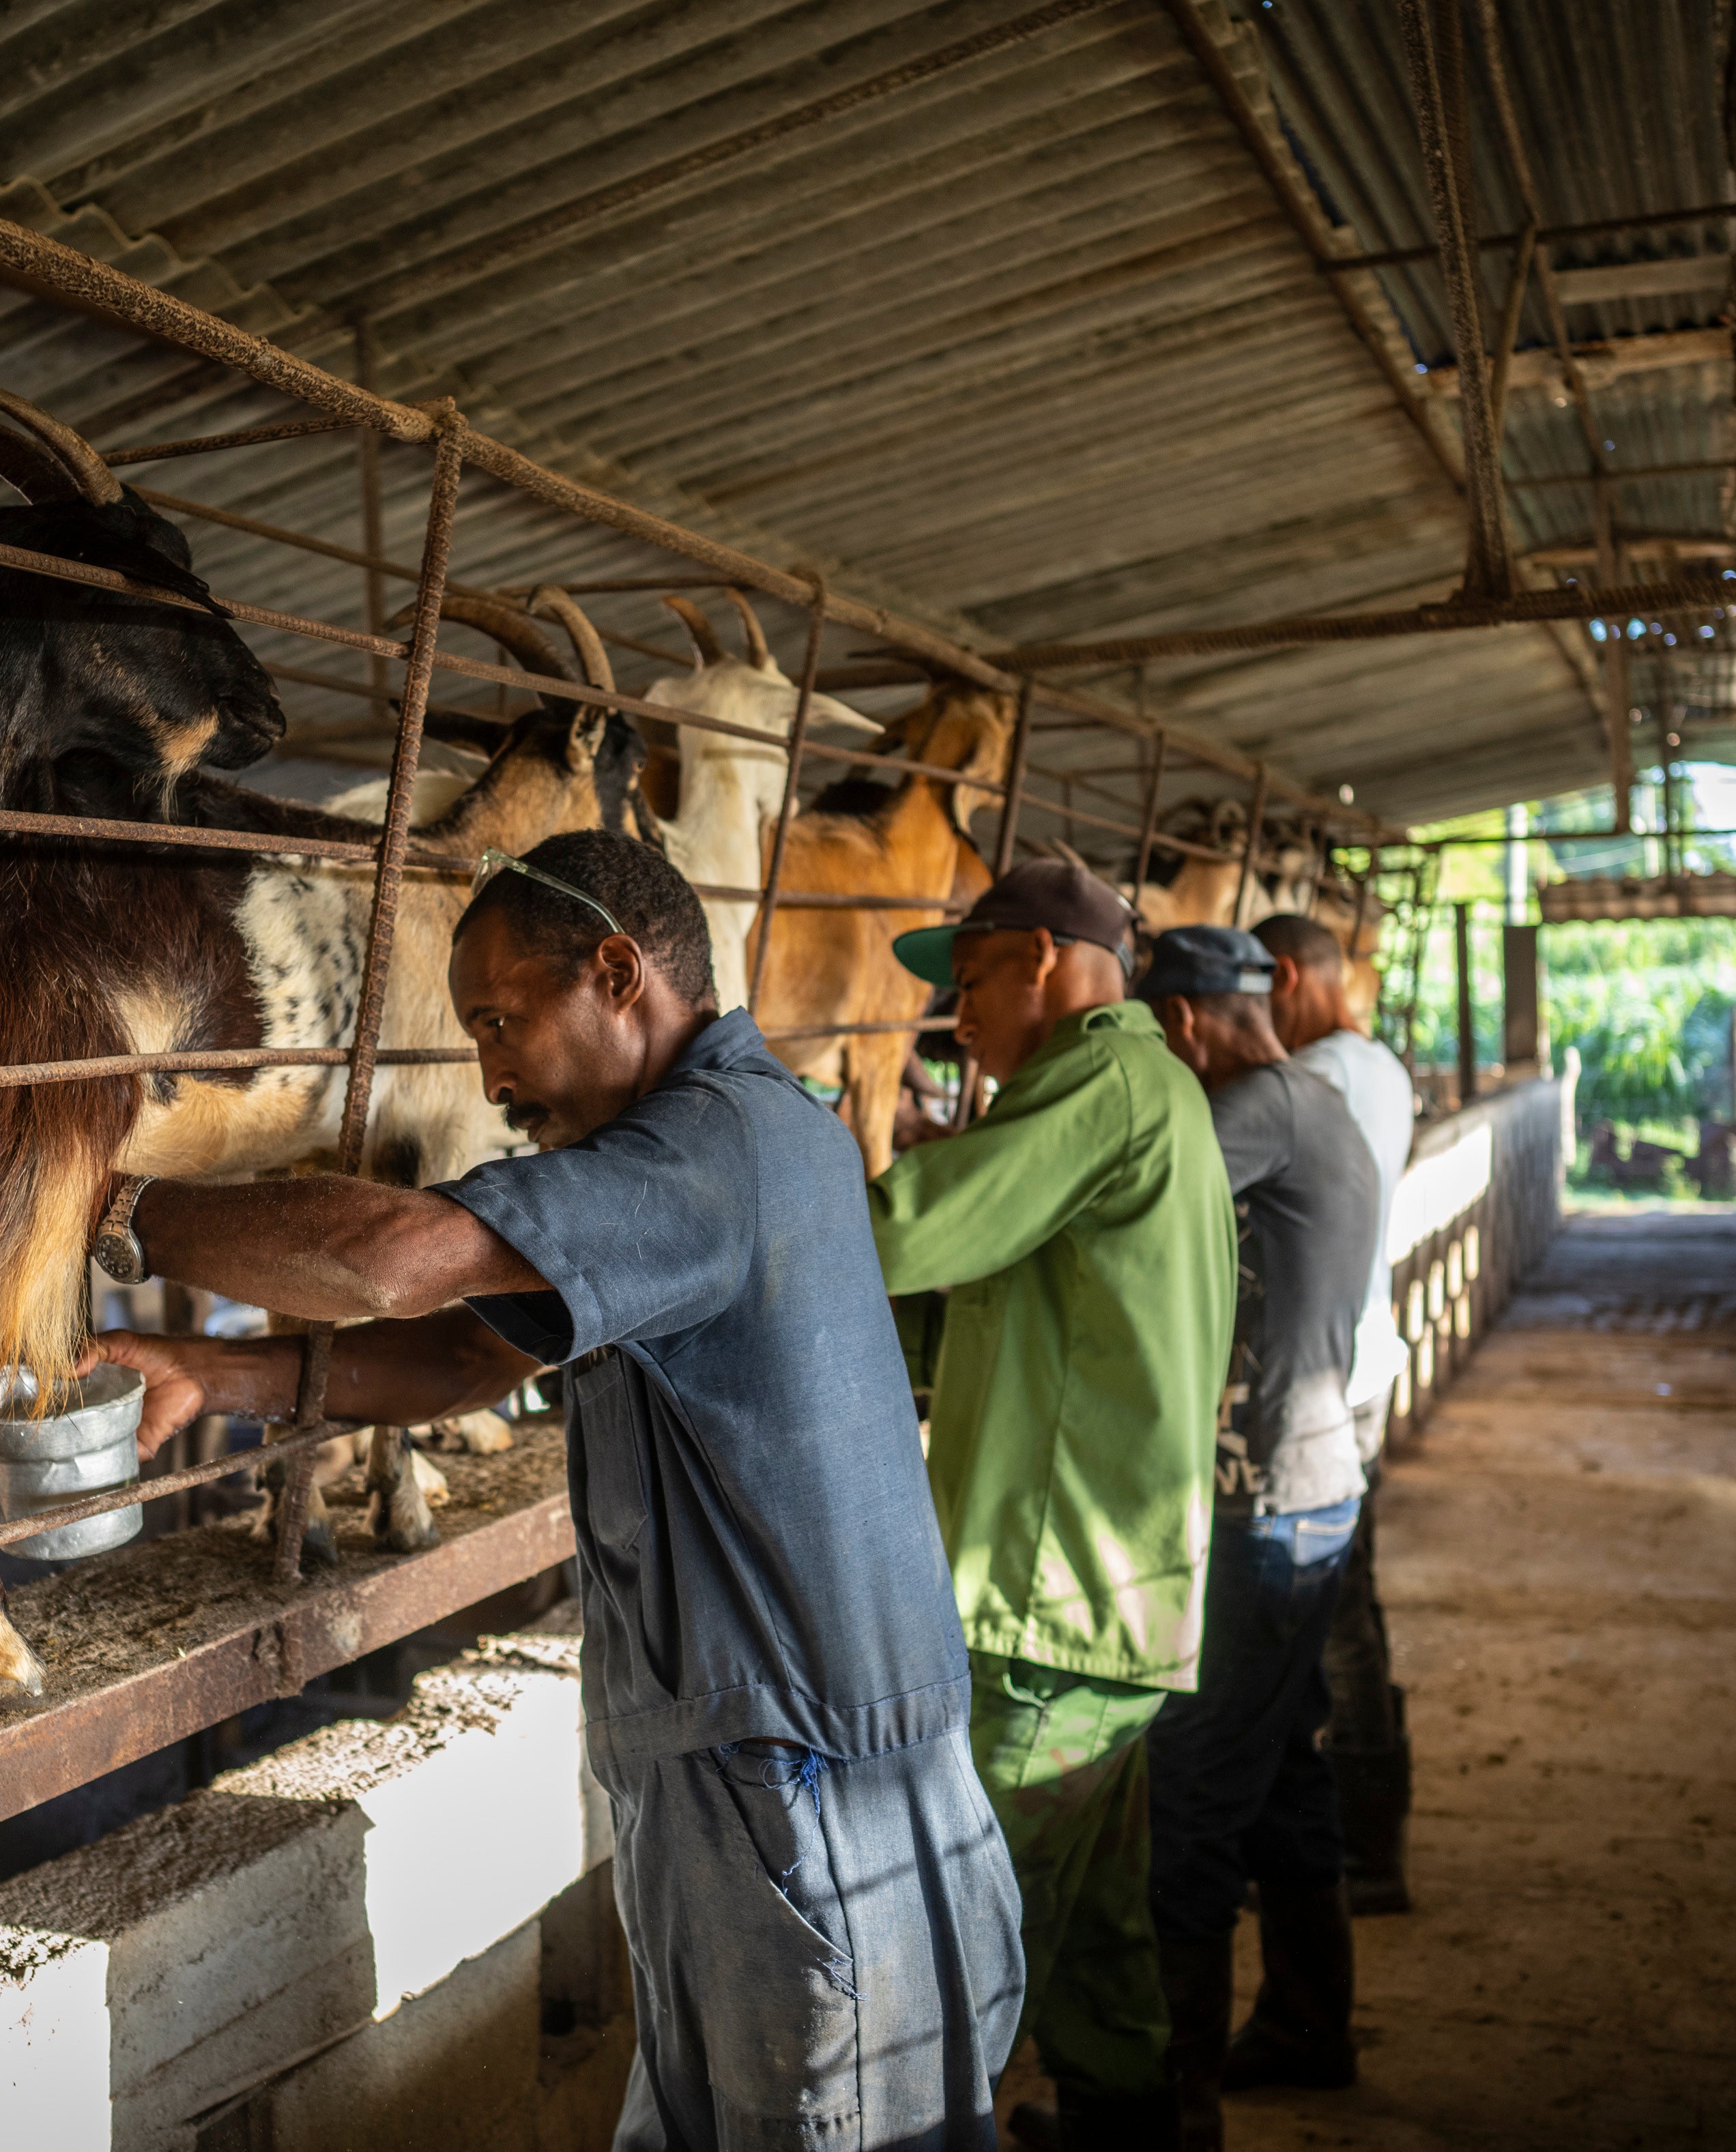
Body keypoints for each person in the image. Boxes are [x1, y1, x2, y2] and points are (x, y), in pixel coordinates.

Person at [82, 830, 1025, 2151]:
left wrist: (94, 1198)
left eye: (500, 1018)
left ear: (617, 970)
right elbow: (464, 1348)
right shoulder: (744, 1138)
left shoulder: (710, 1148)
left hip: (797, 1772)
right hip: (779, 1756)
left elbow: (394, 1259)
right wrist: (210, 1370)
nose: (489, 1070)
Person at [864, 859, 1236, 2152]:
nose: (955, 1018)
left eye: (967, 983)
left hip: (1048, 1604)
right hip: (1112, 1597)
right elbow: (989, 1304)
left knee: (951, 1935)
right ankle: (1128, 2125)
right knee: (1096, 1934)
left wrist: (772, 1189)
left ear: (1037, 958)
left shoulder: (1101, 1076)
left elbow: (905, 1232)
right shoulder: (1152, 1095)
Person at [1136, 924, 1387, 2148]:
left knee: (1186, 1797)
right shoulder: (1309, 1102)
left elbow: (1137, 1206)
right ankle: (1307, 2022)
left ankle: (1159, 2116)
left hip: (1270, 1509)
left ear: (1183, 1027)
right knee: (1281, 1770)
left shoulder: (1267, 1109)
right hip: (1306, 1487)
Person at [1252, 913, 1418, 1917]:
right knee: (1347, 1612)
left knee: (1334, 1619)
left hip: (1329, 1380)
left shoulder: (1319, 1082)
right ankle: (1364, 1843)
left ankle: (1363, 1853)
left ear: (1284, 978)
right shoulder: (1380, 1067)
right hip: (1363, 1364)